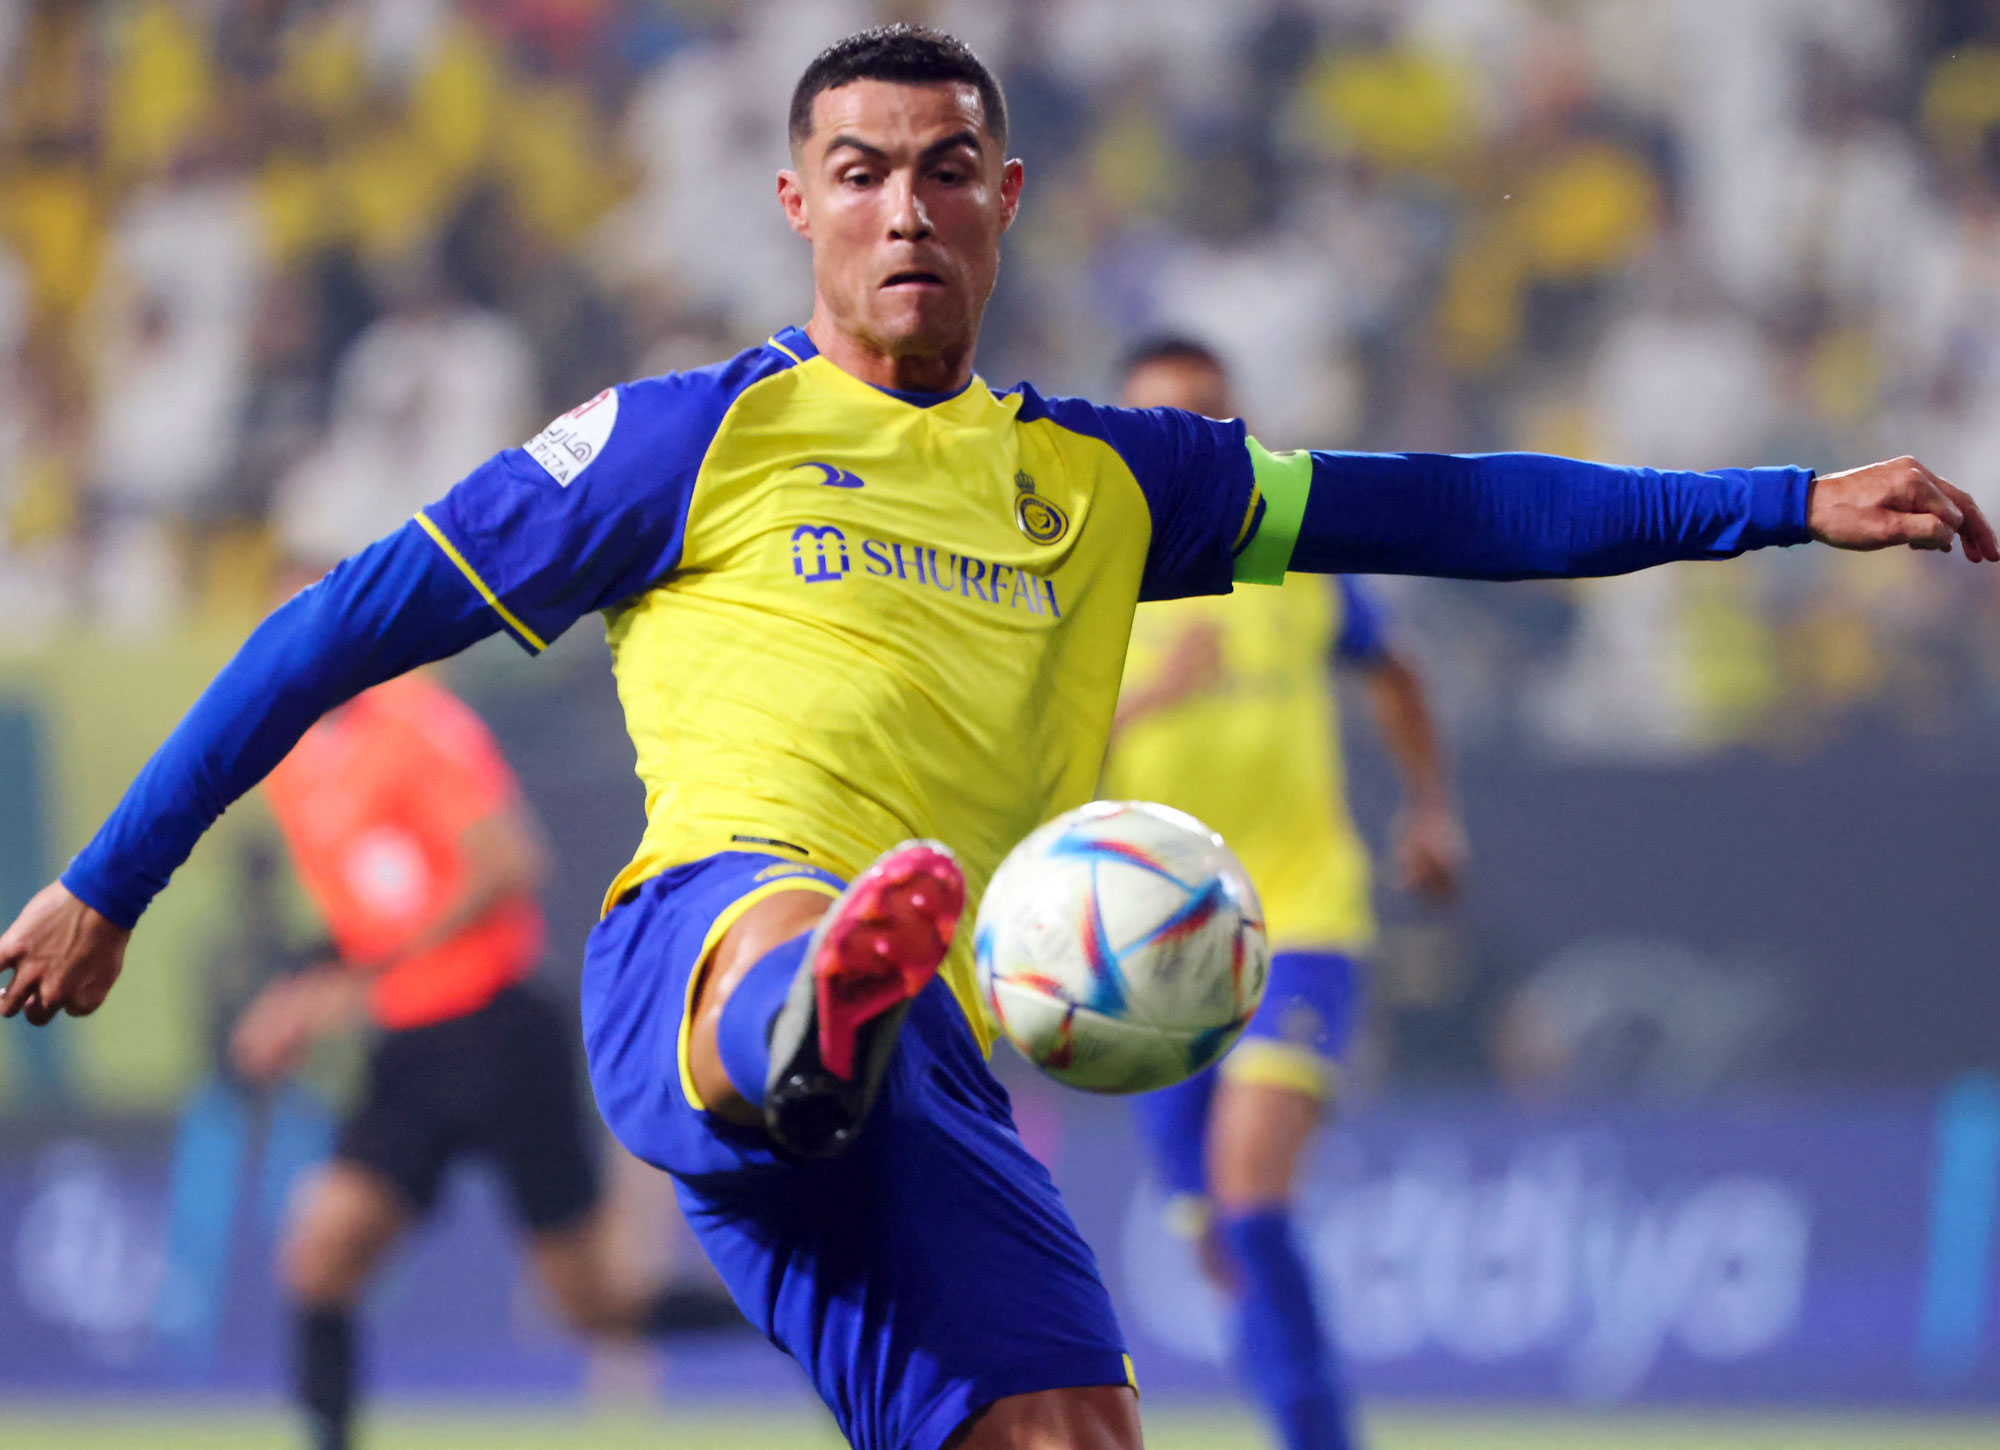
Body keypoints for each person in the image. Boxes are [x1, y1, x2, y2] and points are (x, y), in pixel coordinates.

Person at [2, 26, 1991, 1450]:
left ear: (1006, 200)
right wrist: (110, 875)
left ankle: (854, 1013)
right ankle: (813, 1013)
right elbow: (337, 625)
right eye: (861, 171)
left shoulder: (1111, 477)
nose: (906, 208)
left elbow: (1440, 504)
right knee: (791, 926)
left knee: (1069, 1423)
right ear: (795, 202)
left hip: (940, 1050)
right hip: (703, 955)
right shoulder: (684, 441)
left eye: (947, 168)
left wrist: (1777, 502)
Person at [223, 644, 741, 1450]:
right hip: (409, 1047)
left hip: (500, 1031)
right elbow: (362, 919)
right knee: (320, 1255)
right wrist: (295, 998)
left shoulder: (418, 726)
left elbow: (508, 861)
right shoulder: (292, 770)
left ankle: (783, 1325)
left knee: (593, 1306)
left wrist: (364, 974)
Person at [1104, 338, 1462, 1450]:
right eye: (1163, 420)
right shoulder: (1083, 574)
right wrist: (1153, 696)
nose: (1194, 441)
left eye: (1211, 415)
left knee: (1251, 1188)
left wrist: (1429, 809)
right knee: (1219, 1232)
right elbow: (1026, 755)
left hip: (1301, 911)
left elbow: (1393, 671)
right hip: (1151, 941)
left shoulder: (1295, 560)